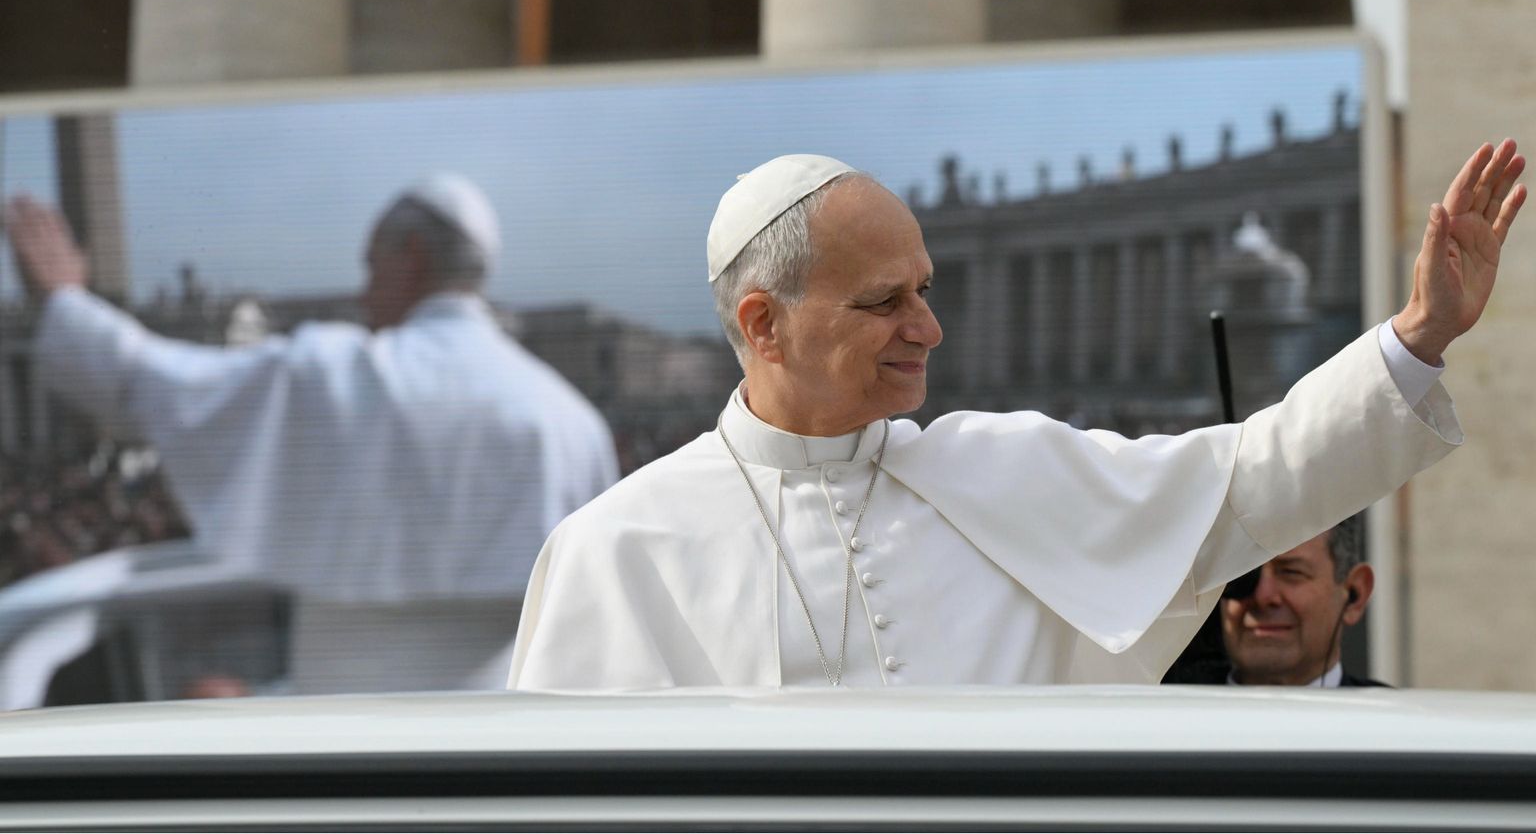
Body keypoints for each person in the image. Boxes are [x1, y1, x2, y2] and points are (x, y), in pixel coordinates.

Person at [508, 141, 1524, 691]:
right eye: (884, 302)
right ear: (764, 325)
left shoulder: (1002, 472)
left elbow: (1256, 480)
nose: (928, 329)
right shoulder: (617, 551)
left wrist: (1419, 334)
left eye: (926, 289)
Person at [3, 175, 619, 693]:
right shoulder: (572, 423)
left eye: (370, 266)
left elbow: (155, 385)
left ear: (411, 255)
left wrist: (64, 300)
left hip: (340, 750)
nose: (362, 292)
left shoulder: (342, 378)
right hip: (508, 752)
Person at [1215, 513, 1386, 687]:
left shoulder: (1392, 705)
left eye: (1291, 572)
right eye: (1243, 574)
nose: (1262, 596)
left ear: (1355, 594)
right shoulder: (1193, 701)